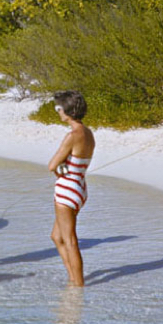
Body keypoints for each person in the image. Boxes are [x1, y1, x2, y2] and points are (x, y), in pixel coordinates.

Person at [48, 90, 95, 287]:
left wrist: (59, 170)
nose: (58, 112)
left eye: (59, 108)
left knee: (69, 239)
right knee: (56, 236)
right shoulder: (88, 133)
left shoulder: (72, 135)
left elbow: (52, 165)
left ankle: (78, 285)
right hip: (80, 187)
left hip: (67, 189)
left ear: (67, 110)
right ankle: (72, 278)